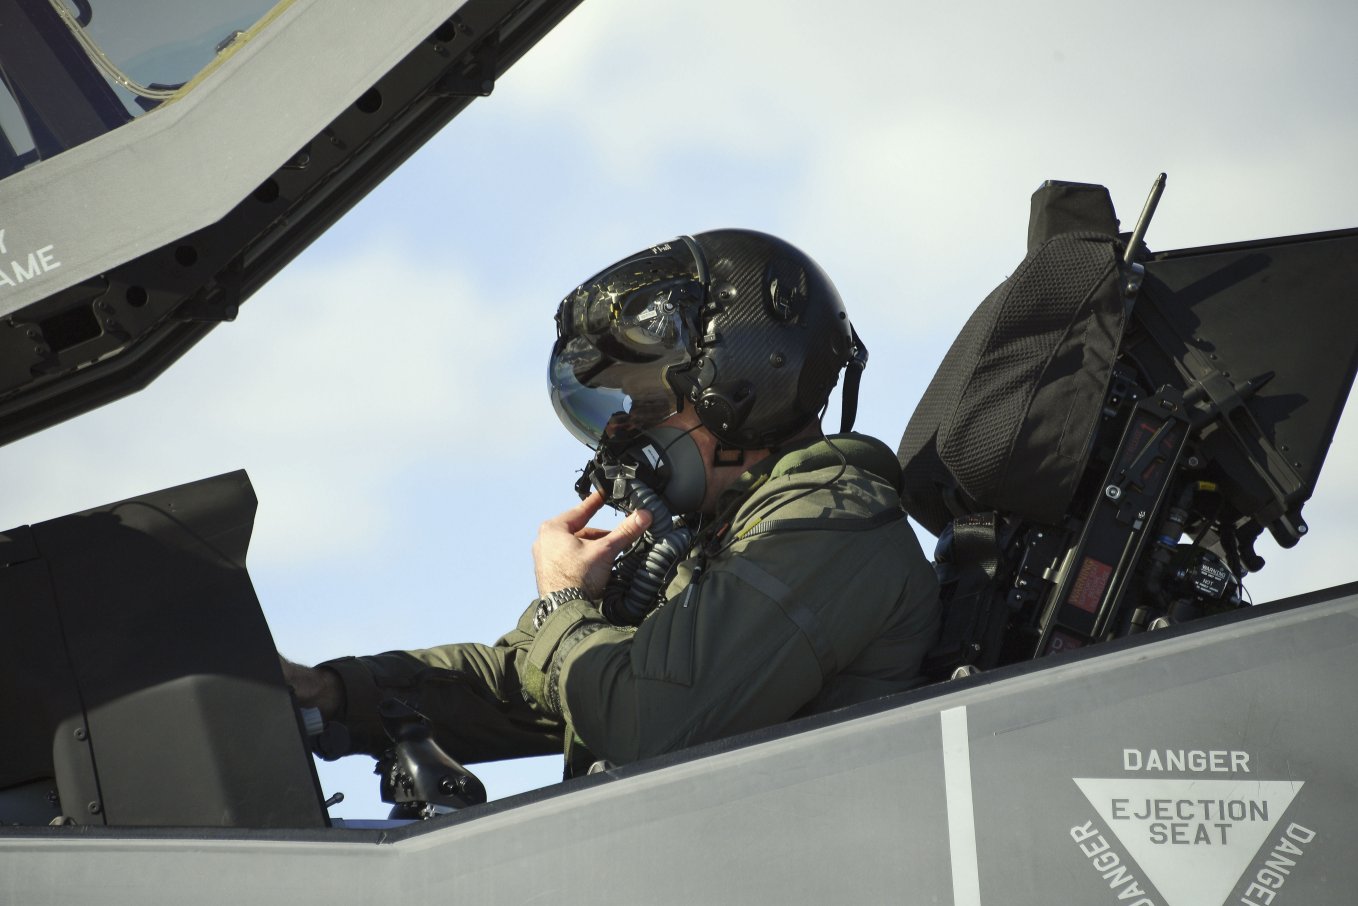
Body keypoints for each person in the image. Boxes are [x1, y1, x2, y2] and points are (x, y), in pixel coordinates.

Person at [284, 229, 940, 776]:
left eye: (650, 406)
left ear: (741, 392)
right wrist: (332, 692)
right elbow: (524, 682)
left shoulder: (830, 529)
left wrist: (565, 604)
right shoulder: (711, 544)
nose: (625, 435)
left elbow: (647, 721)